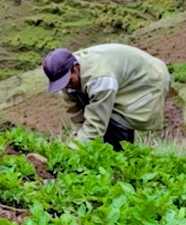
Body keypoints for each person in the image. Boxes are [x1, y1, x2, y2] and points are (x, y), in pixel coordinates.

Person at [42, 43, 170, 149]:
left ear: (76, 68)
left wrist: (75, 150)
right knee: (94, 130)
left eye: (68, 81)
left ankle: (119, 160)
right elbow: (77, 118)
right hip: (117, 78)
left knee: (116, 122)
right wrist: (76, 143)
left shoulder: (100, 79)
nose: (67, 86)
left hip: (148, 79)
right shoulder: (65, 81)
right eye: (62, 84)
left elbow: (96, 123)